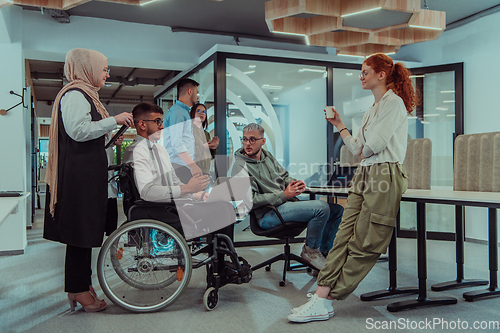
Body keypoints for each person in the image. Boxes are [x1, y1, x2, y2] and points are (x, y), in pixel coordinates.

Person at [287, 53, 416, 323]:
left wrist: (362, 147)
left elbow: (370, 147)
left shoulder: (394, 104)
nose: (361, 76)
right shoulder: (372, 109)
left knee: (366, 241)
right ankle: (322, 296)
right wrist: (339, 125)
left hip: (384, 172)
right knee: (343, 237)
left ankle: (327, 298)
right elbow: (359, 150)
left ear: (381, 74)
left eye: (365, 71)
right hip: (365, 173)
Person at [43, 48, 133, 313]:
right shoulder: (74, 94)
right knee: (79, 234)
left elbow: (86, 136)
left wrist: (107, 136)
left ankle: (82, 284)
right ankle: (77, 289)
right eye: (104, 68)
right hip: (78, 179)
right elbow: (79, 131)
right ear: (87, 68)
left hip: (86, 176)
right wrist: (113, 121)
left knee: (85, 233)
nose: (107, 73)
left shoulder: (87, 95)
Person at [123, 102, 239, 276]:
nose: (162, 126)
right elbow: (147, 191)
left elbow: (174, 180)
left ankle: (221, 264)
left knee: (224, 206)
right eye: (157, 121)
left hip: (171, 203)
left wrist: (195, 193)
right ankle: (220, 268)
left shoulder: (160, 150)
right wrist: (186, 189)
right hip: (157, 208)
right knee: (223, 211)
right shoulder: (138, 150)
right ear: (142, 124)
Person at [232, 123, 344, 271]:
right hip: (267, 215)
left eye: (252, 139)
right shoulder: (240, 166)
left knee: (336, 210)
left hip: (284, 206)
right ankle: (310, 252)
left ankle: (323, 255)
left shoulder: (267, 156)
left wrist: (294, 183)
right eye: (245, 139)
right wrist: (283, 195)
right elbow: (250, 201)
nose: (247, 143)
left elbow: (283, 176)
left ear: (263, 141)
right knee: (321, 207)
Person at [163, 78, 201, 183]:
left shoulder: (183, 111)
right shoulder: (178, 112)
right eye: (196, 93)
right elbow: (177, 142)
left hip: (182, 166)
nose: (197, 97)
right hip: (178, 166)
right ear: (190, 91)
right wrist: (192, 165)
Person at [190, 102, 219, 175]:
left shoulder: (206, 134)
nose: (202, 113)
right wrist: (206, 146)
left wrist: (213, 147)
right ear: (193, 113)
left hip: (205, 172)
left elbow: (210, 157)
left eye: (204, 112)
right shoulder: (189, 130)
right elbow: (189, 152)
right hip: (193, 171)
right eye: (198, 111)